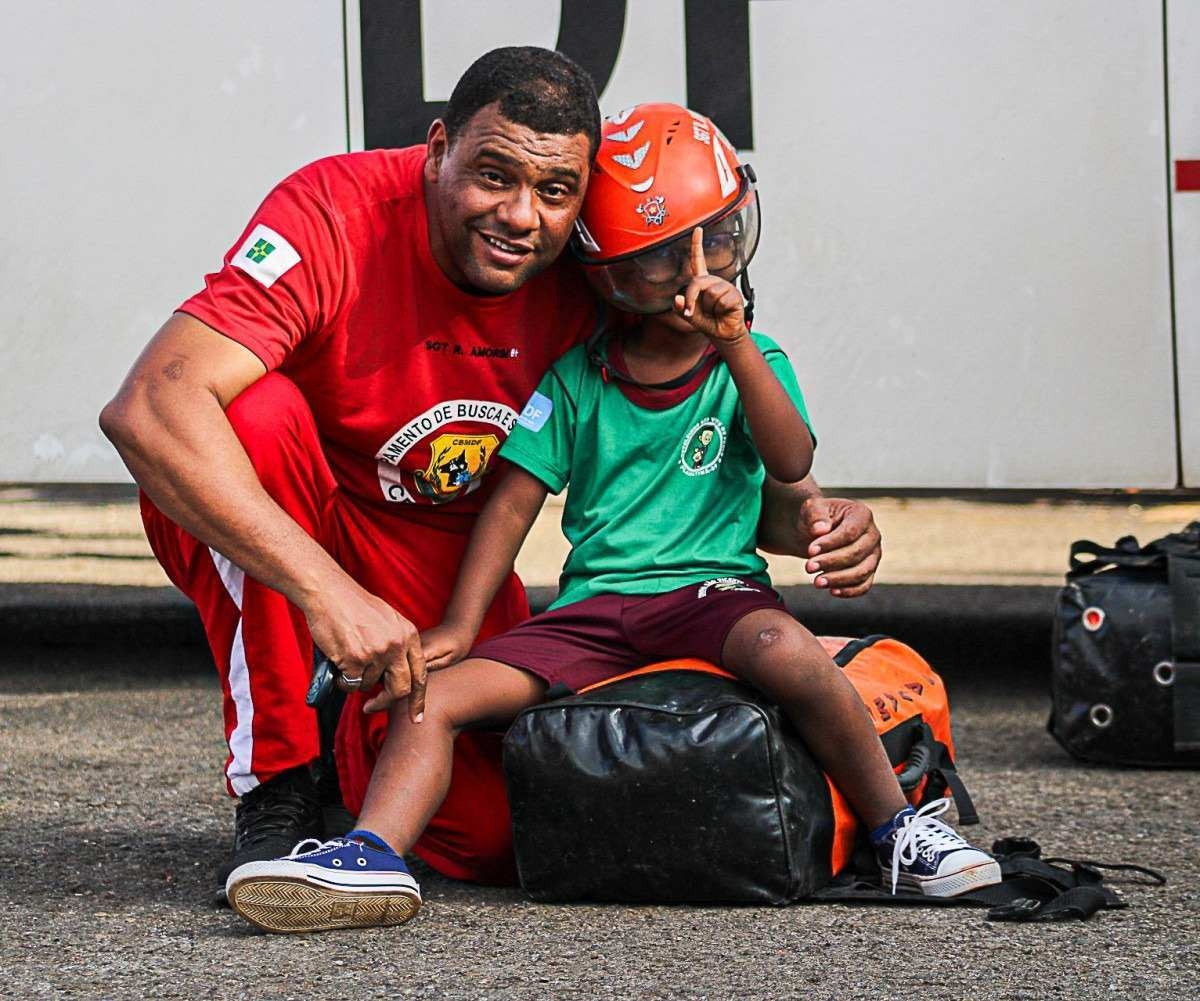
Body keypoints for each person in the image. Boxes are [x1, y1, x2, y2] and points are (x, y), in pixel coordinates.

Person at [100, 49, 882, 901]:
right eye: (492, 174)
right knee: (254, 417)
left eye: (553, 192)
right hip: (305, 507)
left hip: (446, 542)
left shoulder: (599, 278)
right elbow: (150, 405)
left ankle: (342, 762)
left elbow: (698, 466)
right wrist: (329, 593)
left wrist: (817, 517)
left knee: (497, 836)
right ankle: (278, 780)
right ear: (438, 148)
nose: (519, 216)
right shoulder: (333, 210)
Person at [223, 104, 996, 935]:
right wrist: (456, 622)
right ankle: (373, 855)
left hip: (713, 594)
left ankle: (898, 830)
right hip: (592, 612)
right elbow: (512, 500)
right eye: (665, 255)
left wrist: (737, 343)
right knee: (433, 698)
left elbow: (791, 461)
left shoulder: (751, 360)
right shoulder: (577, 377)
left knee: (790, 652)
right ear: (612, 275)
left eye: (722, 237)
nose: (700, 271)